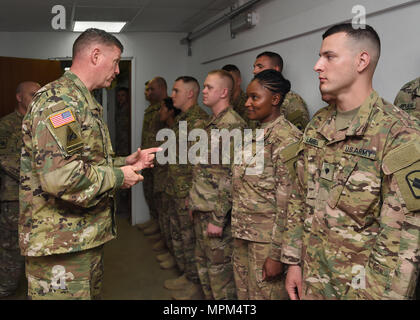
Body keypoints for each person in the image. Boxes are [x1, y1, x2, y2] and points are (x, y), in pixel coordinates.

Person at [19, 28, 160, 300]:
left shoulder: (79, 100)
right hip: (59, 245)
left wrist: (124, 162)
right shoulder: (59, 103)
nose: (118, 70)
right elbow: (61, 177)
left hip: (78, 239)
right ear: (96, 55)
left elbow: (80, 162)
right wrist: (120, 176)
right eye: (116, 61)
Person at [283, 23, 420, 300]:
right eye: (320, 56)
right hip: (312, 279)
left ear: (361, 61)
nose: (317, 66)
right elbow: (299, 197)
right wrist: (293, 262)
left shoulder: (400, 133)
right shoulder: (318, 124)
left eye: (329, 56)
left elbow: (403, 241)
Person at [231, 70, 301, 300]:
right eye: (247, 97)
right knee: (244, 295)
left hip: (266, 242)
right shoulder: (257, 133)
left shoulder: (287, 139)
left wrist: (276, 254)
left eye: (255, 97)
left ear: (275, 99)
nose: (248, 103)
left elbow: (290, 204)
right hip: (244, 233)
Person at [188, 70, 245, 300]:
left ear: (223, 92)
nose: (203, 91)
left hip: (216, 215)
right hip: (202, 208)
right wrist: (192, 199)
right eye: (203, 86)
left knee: (220, 279)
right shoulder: (211, 123)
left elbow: (233, 176)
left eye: (209, 87)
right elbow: (204, 169)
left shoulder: (233, 126)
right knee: (204, 270)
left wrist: (218, 218)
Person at [163, 76, 209, 300]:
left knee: (191, 240)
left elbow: (199, 165)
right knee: (180, 236)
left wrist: (194, 197)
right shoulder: (183, 119)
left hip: (187, 193)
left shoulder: (199, 121)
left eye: (176, 90)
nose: (173, 95)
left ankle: (194, 284)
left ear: (190, 94)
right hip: (176, 188)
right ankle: (186, 276)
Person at [0, 81, 40, 298]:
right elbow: (6, 161)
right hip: (14, 197)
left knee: (38, 246)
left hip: (41, 199)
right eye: (33, 95)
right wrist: (44, 175)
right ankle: (7, 286)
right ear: (19, 97)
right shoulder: (5, 126)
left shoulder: (42, 123)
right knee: (12, 248)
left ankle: (34, 289)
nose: (37, 98)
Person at [138, 77, 168, 237]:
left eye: (152, 89)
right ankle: (154, 221)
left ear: (162, 89)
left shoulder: (167, 109)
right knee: (149, 191)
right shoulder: (151, 109)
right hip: (148, 159)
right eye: (147, 90)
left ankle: (160, 230)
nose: (148, 93)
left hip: (161, 161)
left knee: (160, 197)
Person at [253, 51, 310, 131]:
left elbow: (299, 138)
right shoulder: (253, 100)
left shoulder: (292, 101)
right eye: (254, 67)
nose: (254, 71)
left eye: (260, 67)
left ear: (276, 69)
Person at [154, 97, 180, 269]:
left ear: (171, 111)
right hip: (166, 179)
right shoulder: (168, 129)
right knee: (168, 218)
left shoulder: (179, 128)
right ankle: (170, 250)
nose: (159, 112)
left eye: (163, 108)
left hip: (175, 183)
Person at [221, 64, 256, 129]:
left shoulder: (249, 103)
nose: (226, 85)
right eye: (223, 82)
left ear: (239, 81)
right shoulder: (222, 105)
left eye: (230, 81)